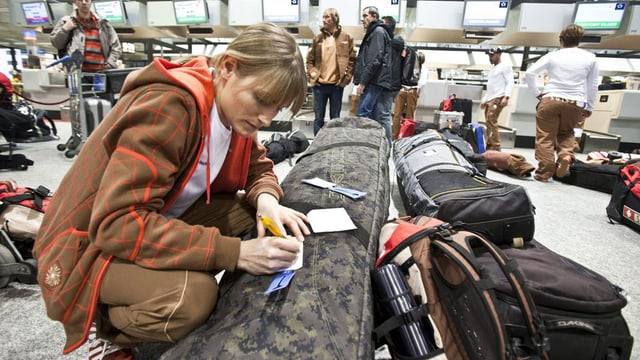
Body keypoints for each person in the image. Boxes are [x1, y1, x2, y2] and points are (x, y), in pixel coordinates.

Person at [33, 22, 310, 360]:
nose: (267, 118)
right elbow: (116, 224)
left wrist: (266, 200)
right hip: (86, 247)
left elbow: (258, 167)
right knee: (193, 298)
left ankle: (162, 280)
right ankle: (104, 327)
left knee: (247, 213)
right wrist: (233, 253)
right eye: (263, 100)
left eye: (276, 109)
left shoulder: (231, 107)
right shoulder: (169, 105)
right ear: (227, 67)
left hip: (150, 217)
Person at [525, 24, 599, 182]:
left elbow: (530, 73)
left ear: (561, 39)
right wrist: (590, 106)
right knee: (567, 133)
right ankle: (565, 155)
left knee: (545, 136)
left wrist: (537, 94)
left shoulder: (553, 56)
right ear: (579, 40)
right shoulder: (590, 58)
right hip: (575, 102)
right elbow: (593, 85)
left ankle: (544, 172)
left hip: (551, 99)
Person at [306, 8, 356, 136]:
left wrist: (346, 80)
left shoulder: (346, 38)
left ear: (335, 19)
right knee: (318, 118)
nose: (324, 20)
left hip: (336, 86)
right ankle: (317, 148)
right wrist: (311, 75)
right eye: (323, 17)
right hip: (319, 85)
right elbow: (309, 60)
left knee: (335, 119)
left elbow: (352, 60)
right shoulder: (317, 39)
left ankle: (333, 146)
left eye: (327, 17)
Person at [50, 0, 122, 72]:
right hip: (76, 74)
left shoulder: (103, 24)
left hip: (101, 75)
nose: (84, 2)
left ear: (91, 2)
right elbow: (56, 44)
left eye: (87, 0)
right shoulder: (66, 21)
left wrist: (109, 64)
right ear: (75, 2)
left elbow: (116, 47)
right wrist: (64, 29)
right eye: (81, 0)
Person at [354, 6, 391, 128]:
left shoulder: (377, 32)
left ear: (374, 17)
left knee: (362, 115)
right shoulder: (377, 31)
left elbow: (375, 59)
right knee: (374, 117)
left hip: (373, 80)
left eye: (365, 16)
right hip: (376, 79)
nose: (363, 19)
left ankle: (362, 145)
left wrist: (363, 82)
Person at [375, 15, 404, 142]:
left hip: (388, 84)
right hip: (394, 84)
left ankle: (386, 145)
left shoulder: (390, 42)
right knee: (383, 114)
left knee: (383, 115)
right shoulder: (398, 43)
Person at [480, 48, 514, 151]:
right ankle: (490, 145)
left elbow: (510, 82)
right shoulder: (493, 69)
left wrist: (506, 97)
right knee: (488, 122)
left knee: (491, 120)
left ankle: (496, 146)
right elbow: (490, 86)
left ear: (499, 54)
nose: (490, 58)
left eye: (492, 55)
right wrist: (484, 100)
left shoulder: (505, 66)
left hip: (498, 98)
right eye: (489, 56)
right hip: (491, 98)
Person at [391, 51, 426, 139]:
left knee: (397, 114)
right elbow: (422, 83)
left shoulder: (407, 65)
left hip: (401, 90)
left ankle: (394, 136)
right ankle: (406, 137)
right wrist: (417, 94)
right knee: (410, 116)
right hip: (413, 90)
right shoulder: (424, 69)